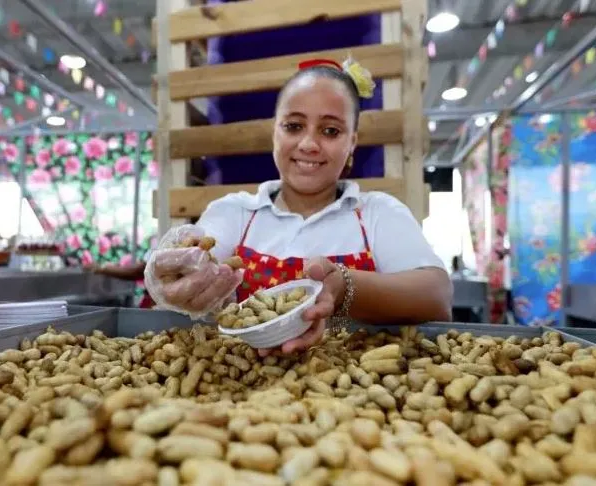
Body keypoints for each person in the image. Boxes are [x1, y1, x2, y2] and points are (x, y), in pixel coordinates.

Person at [143, 57, 452, 355]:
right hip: (243, 390)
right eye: (293, 126)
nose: (308, 144)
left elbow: (437, 297)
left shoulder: (376, 213)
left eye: (330, 131)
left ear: (352, 142)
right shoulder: (235, 213)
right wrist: (177, 269)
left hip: (353, 394)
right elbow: (199, 251)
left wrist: (345, 287)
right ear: (274, 132)